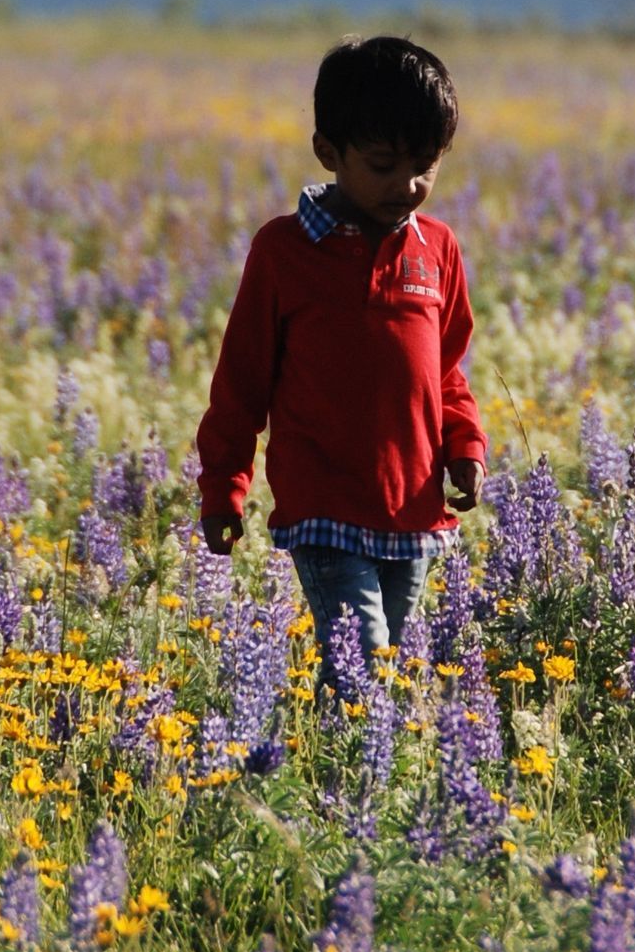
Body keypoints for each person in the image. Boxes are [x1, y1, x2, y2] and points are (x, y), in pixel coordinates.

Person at [195, 35, 487, 677]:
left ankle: (362, 769)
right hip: (324, 505)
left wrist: (464, 446)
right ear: (328, 152)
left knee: (388, 666)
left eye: (424, 166)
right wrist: (224, 487)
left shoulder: (437, 249)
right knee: (362, 659)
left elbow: (446, 371)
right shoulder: (284, 251)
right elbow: (240, 384)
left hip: (411, 506)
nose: (406, 185)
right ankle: (352, 771)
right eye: (382, 164)